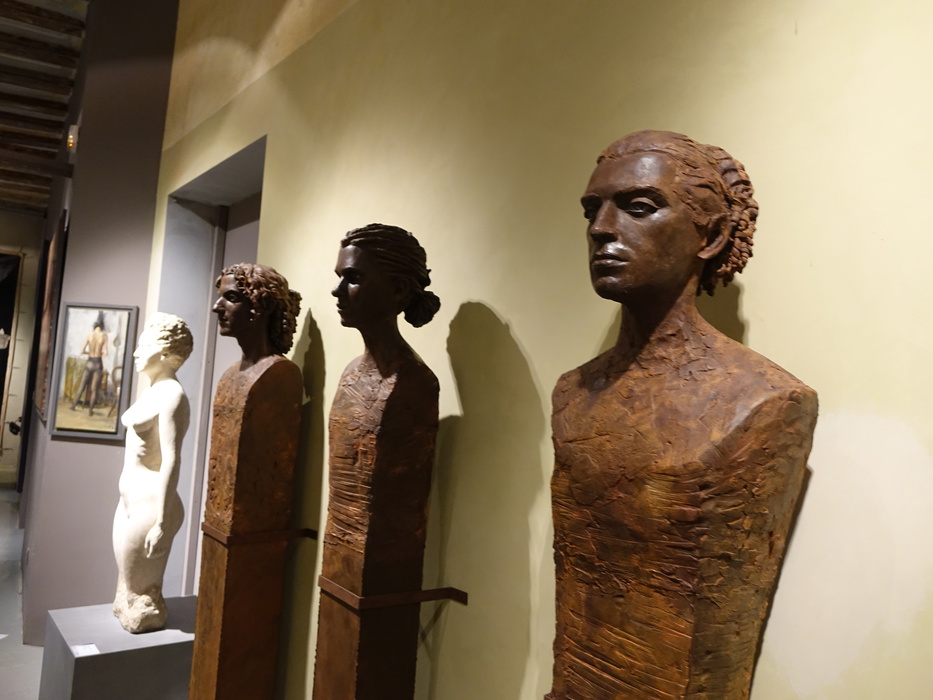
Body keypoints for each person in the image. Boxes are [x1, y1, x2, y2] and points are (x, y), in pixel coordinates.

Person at [547, 131, 818, 698]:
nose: (600, 229)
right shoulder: (573, 391)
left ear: (710, 236)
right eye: (592, 210)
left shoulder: (762, 401)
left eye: (639, 207)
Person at [313, 224, 440, 700]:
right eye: (340, 277)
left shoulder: (413, 384)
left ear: (399, 290)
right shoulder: (352, 375)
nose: (338, 291)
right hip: (340, 568)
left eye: (353, 278)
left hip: (381, 579)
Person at [190, 263, 303, 699]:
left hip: (254, 540)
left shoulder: (279, 376)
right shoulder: (230, 376)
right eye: (221, 295)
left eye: (231, 297)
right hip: (220, 531)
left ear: (261, 307)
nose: (217, 306)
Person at [112, 312, 193, 633]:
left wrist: (162, 522)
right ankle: (131, 606)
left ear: (163, 352)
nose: (135, 353)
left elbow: (172, 459)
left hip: (151, 506)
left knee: (140, 589)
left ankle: (147, 612)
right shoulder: (153, 390)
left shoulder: (174, 396)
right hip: (128, 502)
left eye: (143, 346)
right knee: (125, 586)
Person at [71, 312, 109, 415]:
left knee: (82, 385)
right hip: (98, 363)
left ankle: (73, 406)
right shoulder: (104, 336)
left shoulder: (89, 335)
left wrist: (90, 353)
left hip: (89, 362)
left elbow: (82, 351)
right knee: (94, 389)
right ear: (102, 326)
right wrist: (98, 353)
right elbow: (106, 353)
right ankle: (90, 411)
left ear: (94, 326)